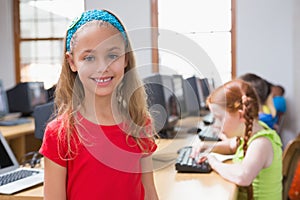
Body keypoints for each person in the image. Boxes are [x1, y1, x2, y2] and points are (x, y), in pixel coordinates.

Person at [39, 9, 158, 200]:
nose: (102, 67)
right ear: (72, 62)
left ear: (125, 59)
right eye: (89, 58)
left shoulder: (140, 123)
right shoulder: (59, 134)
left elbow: (150, 193)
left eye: (112, 55)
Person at [191, 79, 282, 200]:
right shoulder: (251, 132)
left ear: (241, 115)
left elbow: (243, 176)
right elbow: (230, 146)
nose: (215, 125)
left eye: (219, 118)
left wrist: (213, 163)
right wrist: (207, 147)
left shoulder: (261, 143)